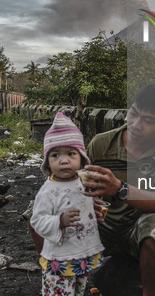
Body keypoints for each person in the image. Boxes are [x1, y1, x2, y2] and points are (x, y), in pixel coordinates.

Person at [82, 82, 155, 296]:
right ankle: (58, 283)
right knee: (40, 211)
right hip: (103, 226)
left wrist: (120, 189)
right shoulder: (101, 143)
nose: (136, 124)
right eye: (133, 114)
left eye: (148, 121)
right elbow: (78, 187)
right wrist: (85, 204)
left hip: (139, 226)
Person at [30, 112, 104, 296]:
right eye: (55, 155)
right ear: (47, 162)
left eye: (71, 154)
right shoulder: (48, 191)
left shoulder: (84, 182)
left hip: (82, 253)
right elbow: (37, 221)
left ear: (82, 157)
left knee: (79, 291)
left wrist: (96, 212)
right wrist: (59, 221)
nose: (64, 160)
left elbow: (89, 205)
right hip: (60, 258)